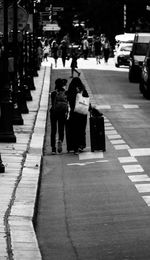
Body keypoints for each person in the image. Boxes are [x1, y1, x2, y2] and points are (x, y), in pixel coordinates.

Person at [67, 77, 89, 154]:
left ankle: (75, 148)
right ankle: (81, 145)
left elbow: (69, 100)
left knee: (74, 130)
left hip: (74, 113)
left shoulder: (71, 90)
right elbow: (87, 100)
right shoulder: (83, 90)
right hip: (83, 113)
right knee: (82, 130)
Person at [50, 78, 68, 154]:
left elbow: (52, 103)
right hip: (62, 113)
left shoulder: (53, 93)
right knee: (61, 129)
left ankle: (53, 148)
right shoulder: (65, 93)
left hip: (54, 113)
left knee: (53, 130)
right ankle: (60, 140)